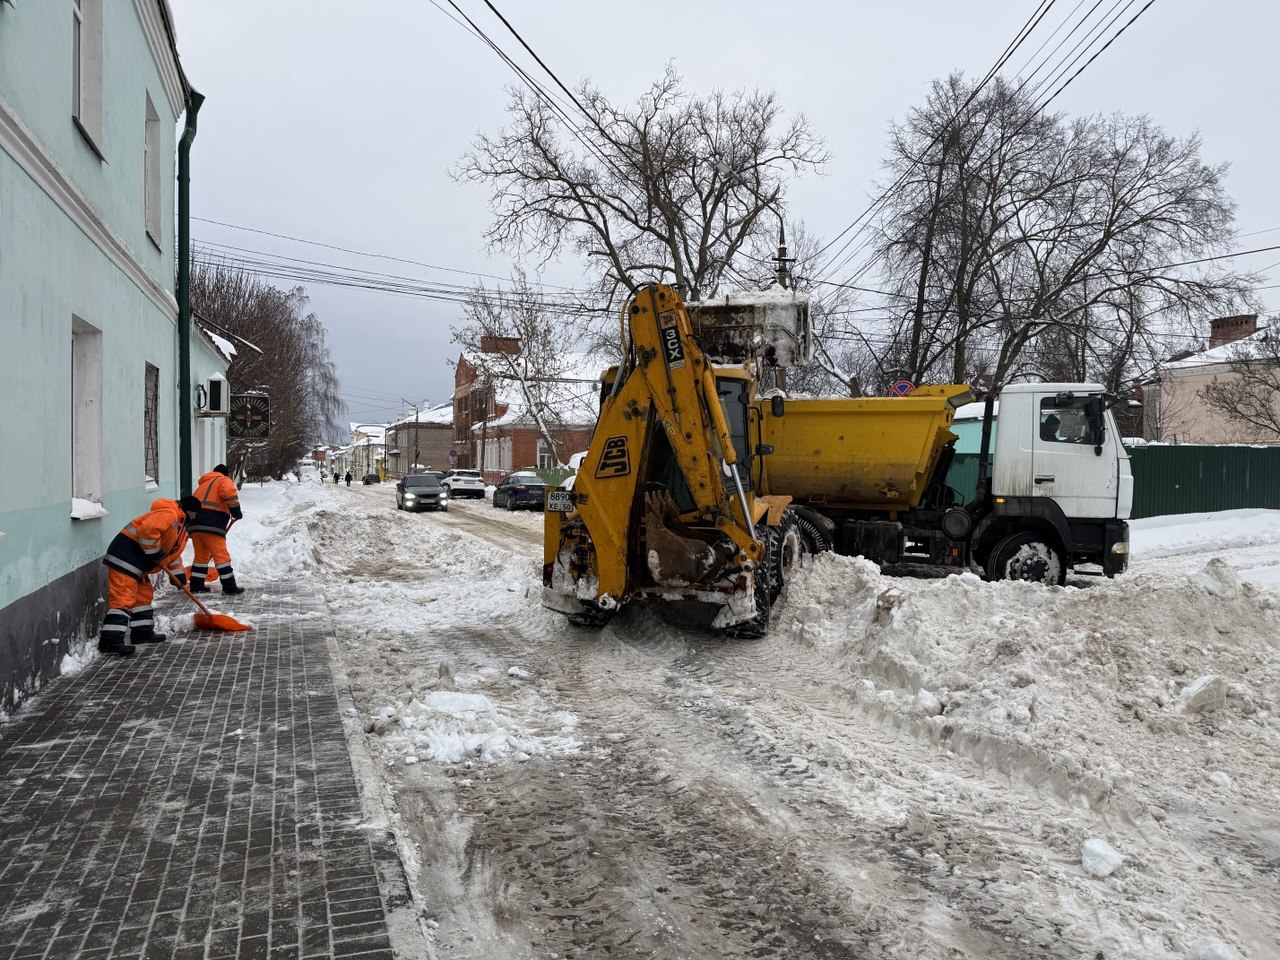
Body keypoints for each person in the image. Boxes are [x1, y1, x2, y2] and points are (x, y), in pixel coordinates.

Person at [98, 495, 200, 657]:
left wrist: (178, 576)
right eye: (194, 515)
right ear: (189, 511)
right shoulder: (170, 513)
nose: (194, 519)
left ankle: (142, 633)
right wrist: (154, 552)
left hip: (139, 564)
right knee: (123, 599)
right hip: (126, 558)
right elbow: (146, 531)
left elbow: (172, 555)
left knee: (143, 597)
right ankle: (110, 641)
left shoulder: (180, 526)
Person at [189, 464, 245, 595]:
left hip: (195, 524)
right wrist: (236, 511)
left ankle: (196, 586)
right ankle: (230, 588)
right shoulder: (223, 480)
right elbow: (229, 493)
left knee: (201, 557)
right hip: (212, 523)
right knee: (221, 556)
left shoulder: (202, 485)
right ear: (225, 474)